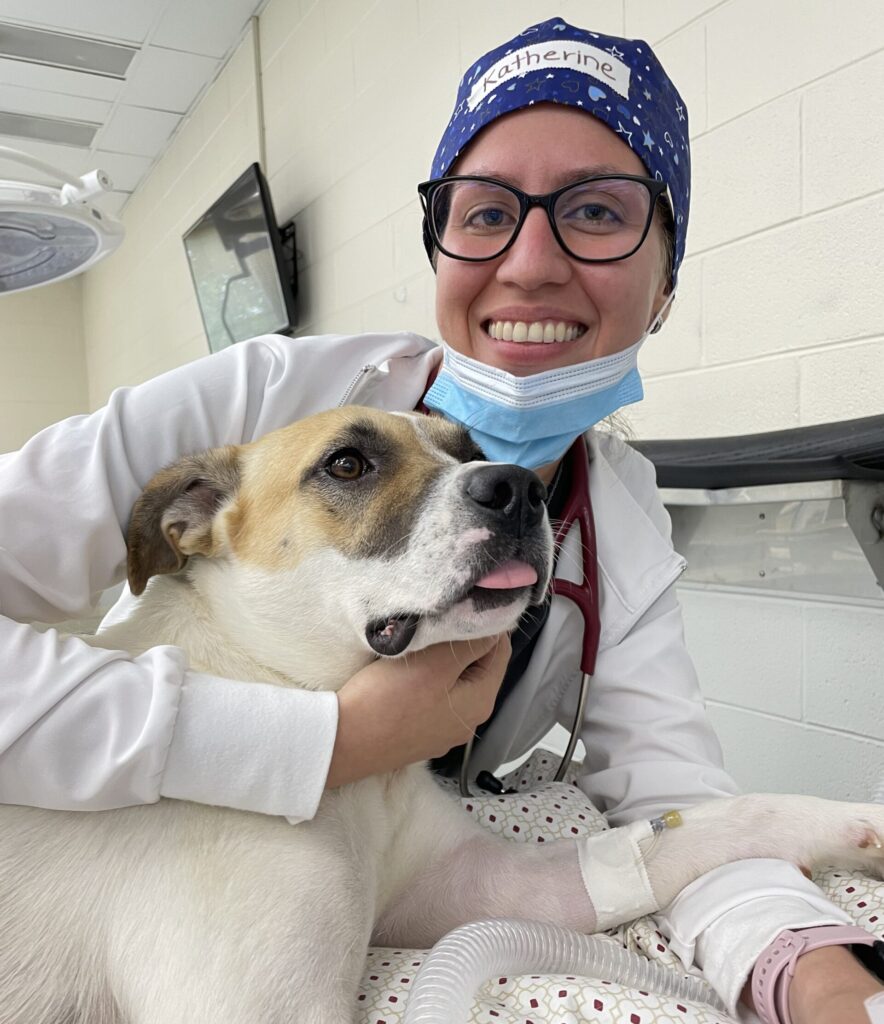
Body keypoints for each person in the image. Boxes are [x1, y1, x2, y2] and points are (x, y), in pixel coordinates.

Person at [0, 16, 880, 1024]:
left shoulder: (622, 526)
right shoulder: (255, 407)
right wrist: (318, 742)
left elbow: (663, 812)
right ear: (439, 246)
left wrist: (809, 963)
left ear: (666, 283)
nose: (531, 261)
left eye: (596, 212)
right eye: (485, 211)